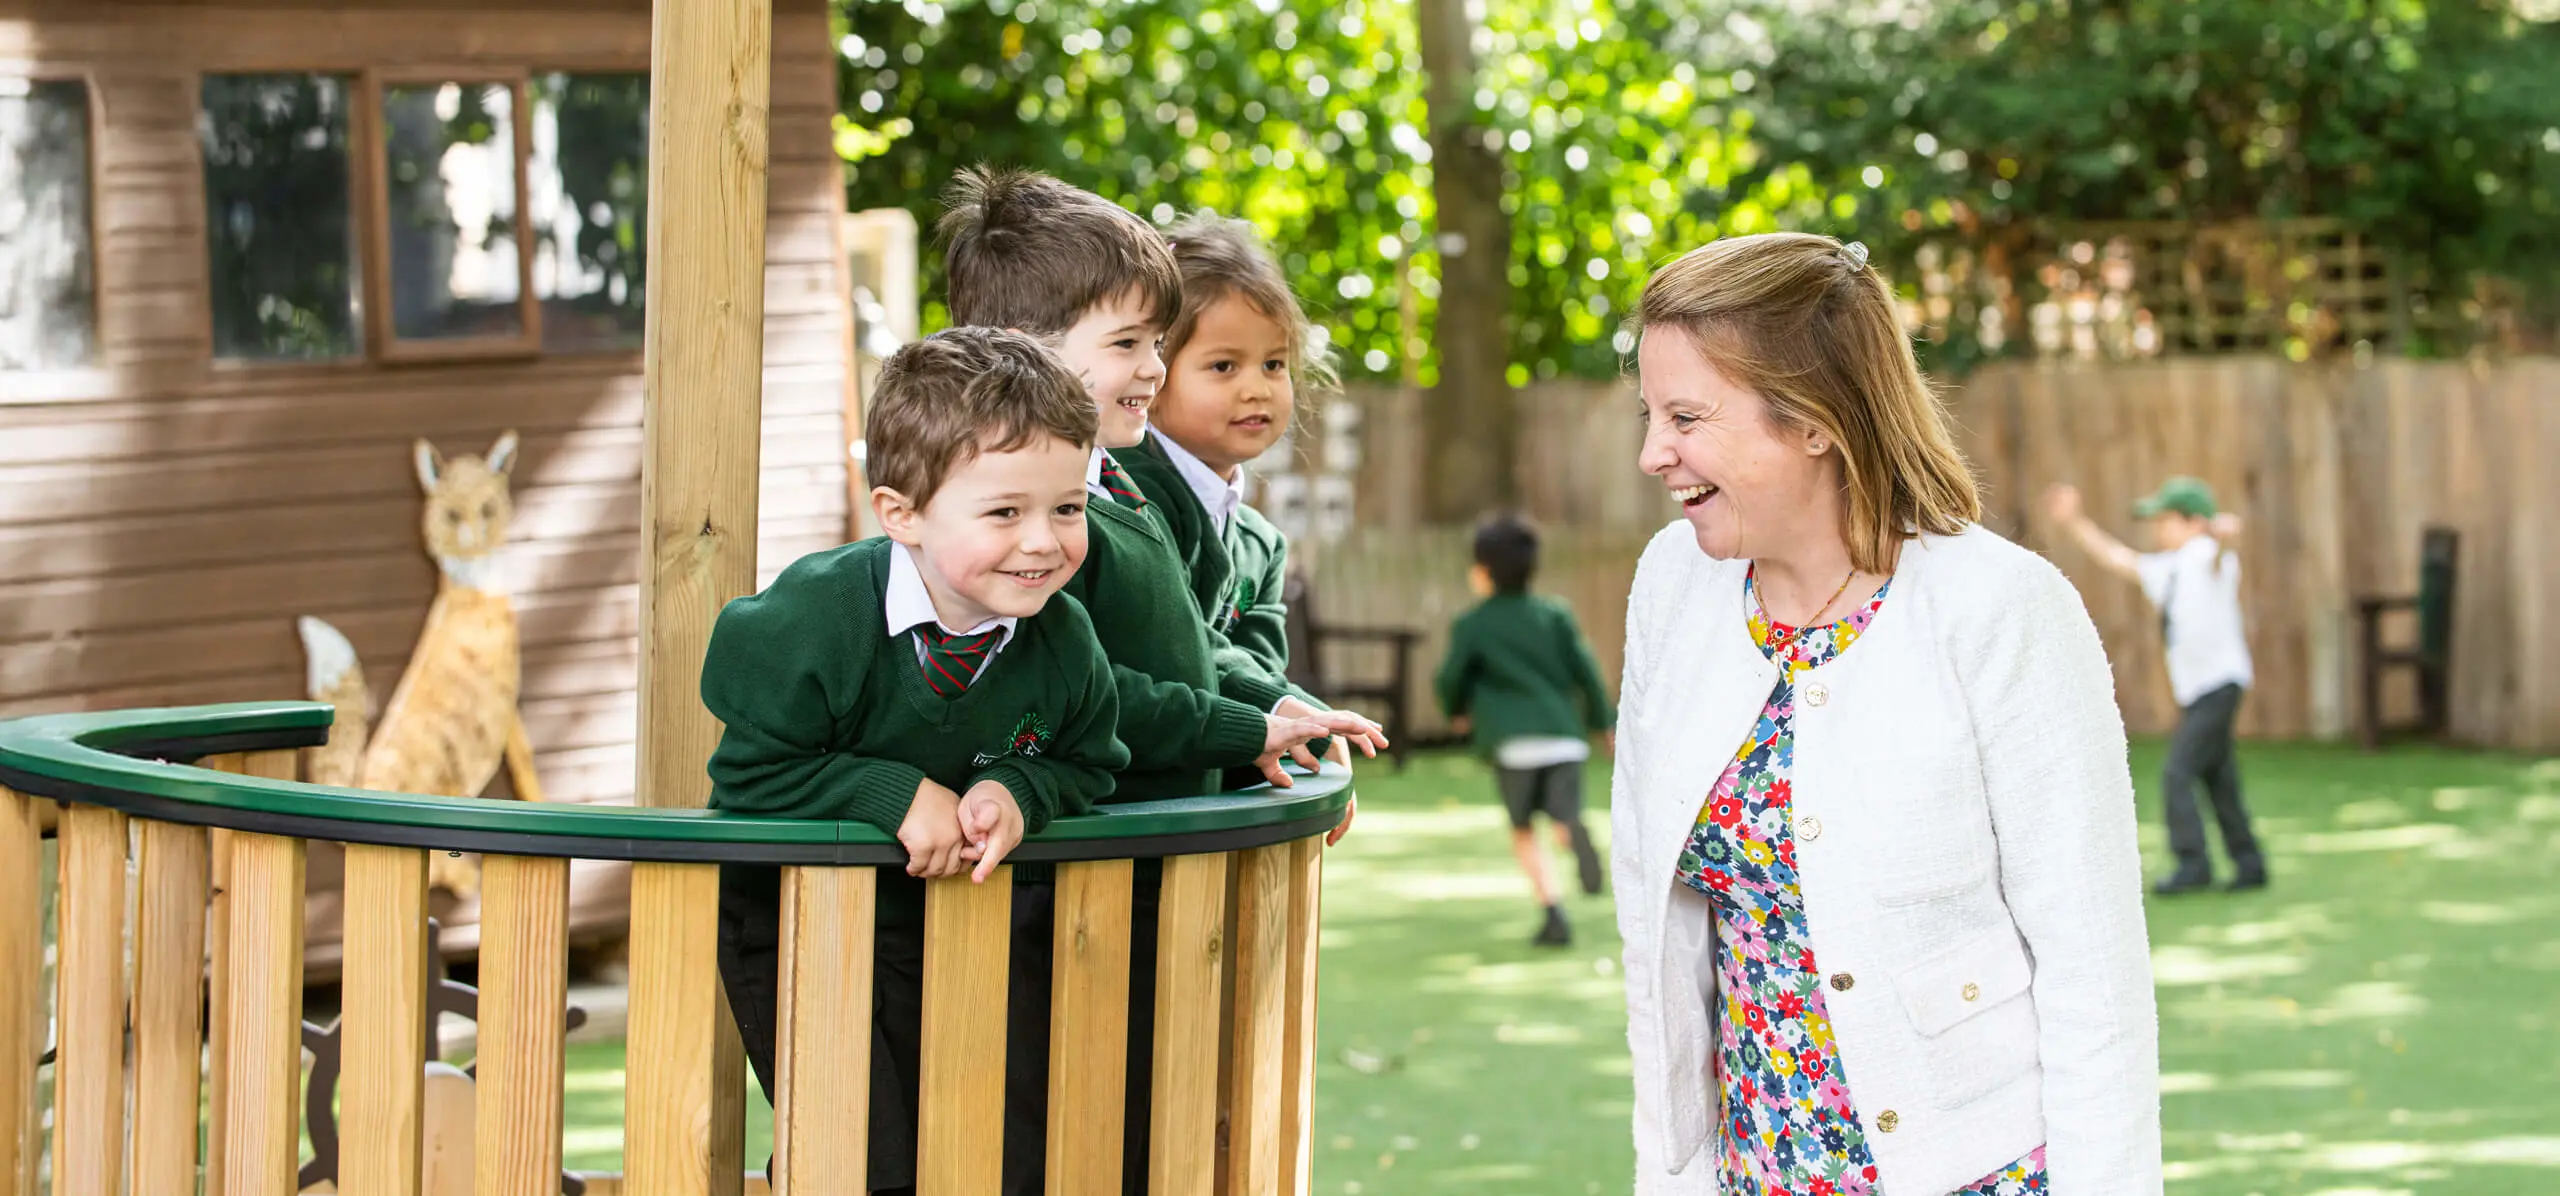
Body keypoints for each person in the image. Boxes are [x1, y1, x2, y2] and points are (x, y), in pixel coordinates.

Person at [1612, 232, 2162, 1195]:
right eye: (1651, 415)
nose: (1654, 453)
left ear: (1814, 421)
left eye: (1687, 417)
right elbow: (1653, 933)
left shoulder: (2002, 608)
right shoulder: (1672, 585)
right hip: (1750, 1174)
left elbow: (2094, 966)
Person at [937, 167, 1381, 1193]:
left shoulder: (1113, 493)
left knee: (1151, 1134)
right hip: (1069, 885)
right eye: (1132, 344)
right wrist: (1243, 730)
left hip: (1145, 881)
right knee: (1063, 1140)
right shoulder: (1034, 524)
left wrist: (1277, 710)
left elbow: (1183, 649)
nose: (1152, 366)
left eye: (1156, 344)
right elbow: (1078, 694)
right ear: (1029, 349)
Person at [703, 328, 1131, 1194]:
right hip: (804, 929)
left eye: (1068, 508)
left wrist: (1018, 787)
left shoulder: (1064, 640)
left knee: (1001, 1150)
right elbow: (749, 775)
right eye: (1004, 513)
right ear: (901, 513)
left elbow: (1089, 761)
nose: (1043, 541)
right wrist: (890, 792)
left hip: (963, 927)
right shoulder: (814, 618)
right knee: (858, 1150)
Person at [1119, 210, 1383, 783]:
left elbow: (1258, 674)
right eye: (1223, 365)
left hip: (1209, 810)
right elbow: (1178, 656)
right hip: (1130, 809)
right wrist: (1289, 708)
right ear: (1151, 372)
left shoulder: (1261, 543)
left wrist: (1301, 744)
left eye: (1273, 364)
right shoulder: (1124, 502)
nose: (1256, 388)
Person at [2044, 477, 2266, 895]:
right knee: (2219, 778)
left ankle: (2193, 866)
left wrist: (2224, 536)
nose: (2158, 530)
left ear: (2193, 522)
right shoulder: (2170, 568)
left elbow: (2223, 554)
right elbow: (2118, 558)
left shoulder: (2207, 557)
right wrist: (2075, 523)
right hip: (2200, 691)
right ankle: (2249, 863)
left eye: (2165, 520)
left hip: (2218, 686)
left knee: (2177, 773)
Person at [1434, 513, 1614, 947]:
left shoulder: (1474, 623)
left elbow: (1450, 678)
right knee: (1562, 817)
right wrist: (1603, 722)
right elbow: (1586, 672)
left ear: (1483, 571)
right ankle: (1573, 833)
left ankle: (1553, 912)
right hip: (1564, 740)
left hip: (1513, 745)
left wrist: (1456, 710)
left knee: (1523, 829)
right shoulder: (1555, 615)